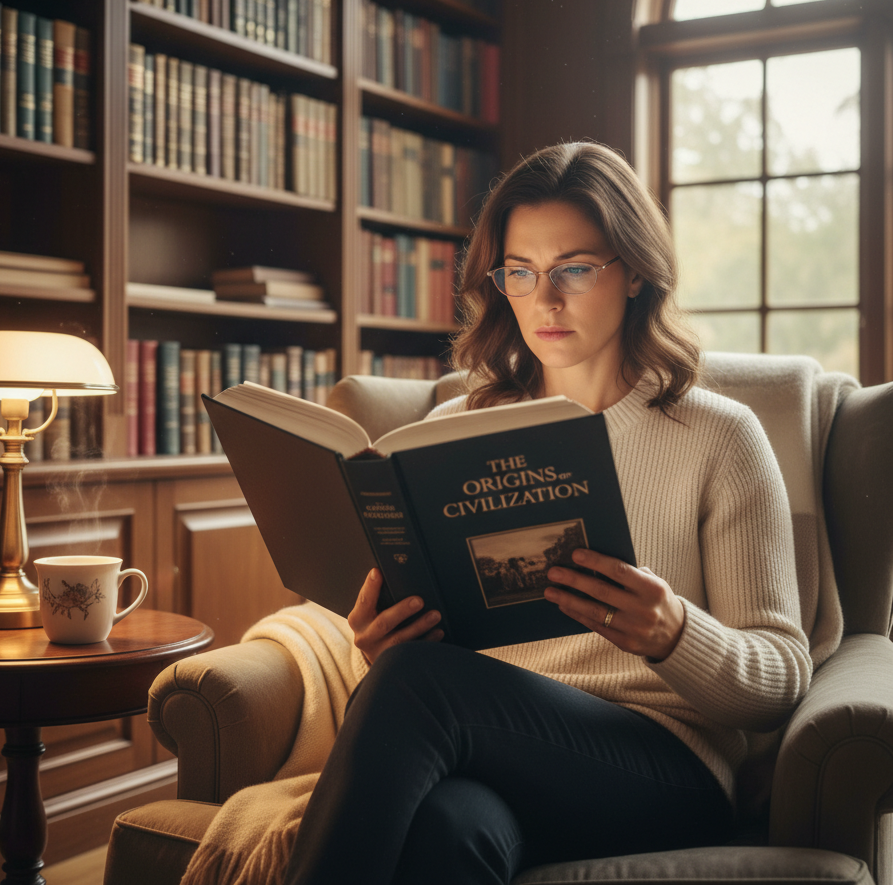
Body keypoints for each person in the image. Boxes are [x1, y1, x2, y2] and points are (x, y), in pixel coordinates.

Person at [282, 142, 814, 885]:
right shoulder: (452, 435)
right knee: (447, 828)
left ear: (633, 271)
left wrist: (674, 633)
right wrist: (374, 643)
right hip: (492, 753)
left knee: (419, 685)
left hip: (664, 766)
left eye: (573, 269)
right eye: (521, 273)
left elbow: (781, 680)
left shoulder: (719, 435)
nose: (544, 300)